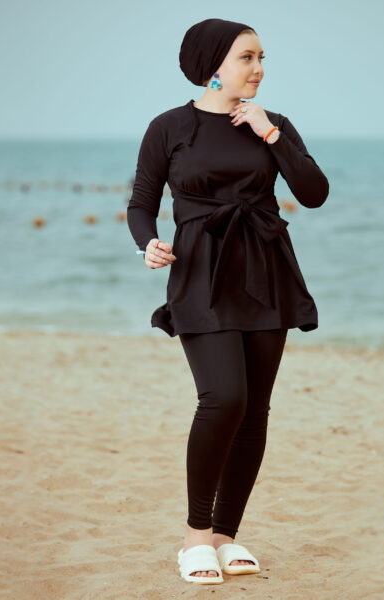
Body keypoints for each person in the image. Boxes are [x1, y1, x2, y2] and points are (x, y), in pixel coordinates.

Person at [127, 18, 329, 585]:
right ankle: (195, 537)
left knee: (254, 409)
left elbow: (314, 193)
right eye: (247, 57)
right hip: (200, 274)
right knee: (224, 397)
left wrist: (271, 135)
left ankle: (225, 535)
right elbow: (141, 201)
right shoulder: (169, 127)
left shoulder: (273, 123)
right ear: (213, 65)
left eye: (262, 57)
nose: (259, 68)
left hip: (266, 271)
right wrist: (148, 243)